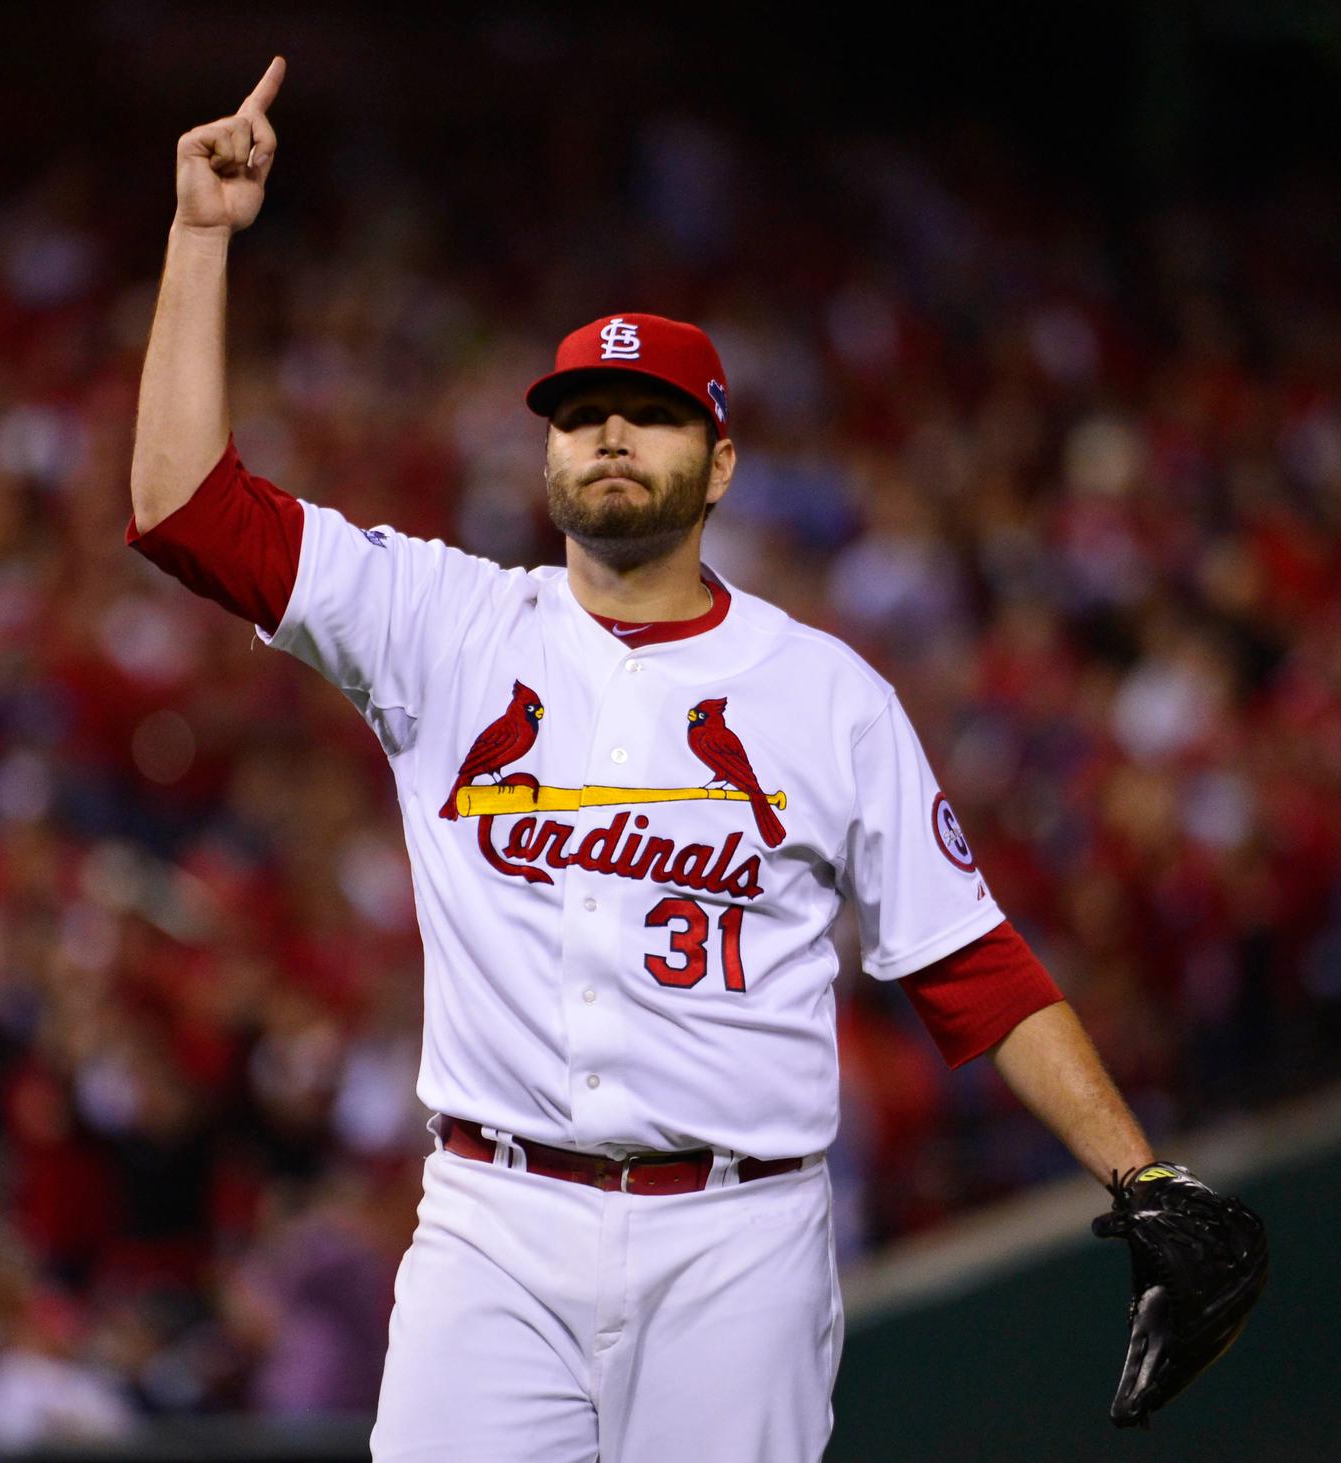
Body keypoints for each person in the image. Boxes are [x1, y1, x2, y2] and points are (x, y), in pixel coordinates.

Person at [126, 58, 1166, 1461]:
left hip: (739, 1241)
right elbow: (185, 507)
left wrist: (1140, 1172)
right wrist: (200, 239)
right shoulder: (446, 620)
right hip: (493, 1222)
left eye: (651, 409)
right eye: (576, 410)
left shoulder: (825, 693)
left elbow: (969, 963)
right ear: (550, 455)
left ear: (720, 462)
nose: (608, 428)